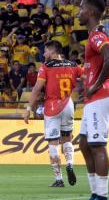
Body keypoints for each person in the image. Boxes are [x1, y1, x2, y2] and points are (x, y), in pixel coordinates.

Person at [76, 0, 109, 200]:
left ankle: (102, 199)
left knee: (97, 145)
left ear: (92, 12)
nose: (79, 11)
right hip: (96, 96)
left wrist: (95, 84)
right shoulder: (104, 33)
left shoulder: (96, 35)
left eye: (82, 8)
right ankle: (95, 195)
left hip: (100, 95)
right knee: (84, 143)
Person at [23, 40, 82, 187]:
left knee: (53, 143)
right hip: (68, 104)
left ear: (53, 52)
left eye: (46, 51)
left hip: (52, 106)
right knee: (67, 138)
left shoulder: (46, 67)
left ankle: (59, 179)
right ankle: (69, 164)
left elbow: (37, 89)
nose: (44, 54)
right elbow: (86, 79)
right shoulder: (73, 64)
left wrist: (28, 109)